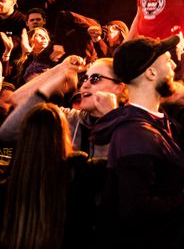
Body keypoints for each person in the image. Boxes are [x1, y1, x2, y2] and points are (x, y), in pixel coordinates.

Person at [92, 35, 184, 244]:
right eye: (167, 59)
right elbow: (133, 210)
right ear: (151, 73)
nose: (173, 64)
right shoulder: (134, 133)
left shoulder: (158, 120)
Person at [0, 102, 105, 247]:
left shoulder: (8, 187)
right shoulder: (79, 171)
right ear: (62, 134)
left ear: (23, 137)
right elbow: (119, 164)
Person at [0, 53, 124, 155]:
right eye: (85, 78)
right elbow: (8, 131)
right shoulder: (68, 119)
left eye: (95, 78)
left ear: (119, 88)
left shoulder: (132, 125)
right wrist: (60, 70)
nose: (85, 85)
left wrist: (109, 118)